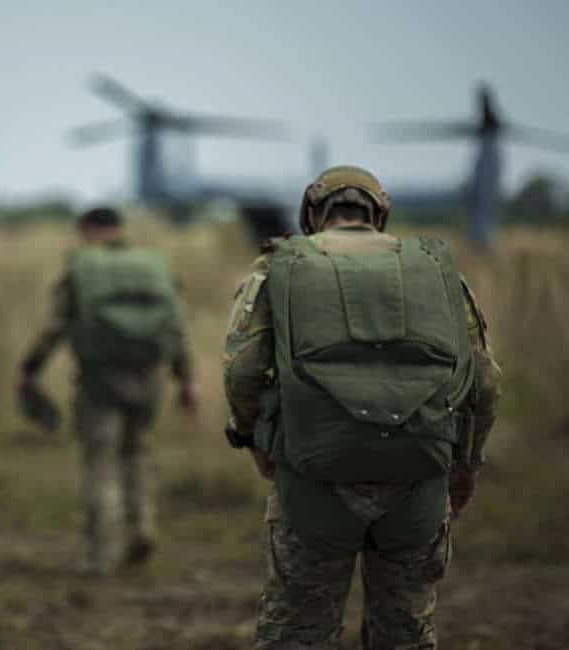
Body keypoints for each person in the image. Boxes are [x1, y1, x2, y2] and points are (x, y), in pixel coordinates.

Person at [222, 166, 502, 649]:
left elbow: (243, 370)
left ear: (311, 214)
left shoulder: (280, 266)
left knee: (299, 629)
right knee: (406, 629)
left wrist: (256, 441)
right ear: (380, 214)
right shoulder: (432, 269)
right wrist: (466, 466)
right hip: (417, 479)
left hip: (313, 479)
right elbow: (486, 381)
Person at [18, 206, 198, 576]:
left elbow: (55, 327)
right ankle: (142, 529)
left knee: (100, 462)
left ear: (87, 230)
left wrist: (30, 369)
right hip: (149, 378)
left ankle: (100, 556)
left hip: (99, 380)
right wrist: (186, 379)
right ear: (119, 229)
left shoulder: (81, 267)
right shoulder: (154, 265)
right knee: (137, 453)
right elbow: (176, 327)